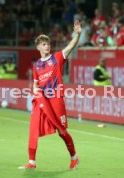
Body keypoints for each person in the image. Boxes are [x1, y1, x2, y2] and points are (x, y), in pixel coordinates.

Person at [19, 20, 82, 170]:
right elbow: (35, 85)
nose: (47, 46)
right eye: (44, 44)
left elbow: (71, 46)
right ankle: (32, 162)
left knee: (62, 131)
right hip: (42, 100)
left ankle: (74, 156)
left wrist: (78, 34)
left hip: (56, 99)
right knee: (33, 127)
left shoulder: (57, 58)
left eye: (48, 43)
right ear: (38, 47)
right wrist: (35, 91)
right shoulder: (37, 66)